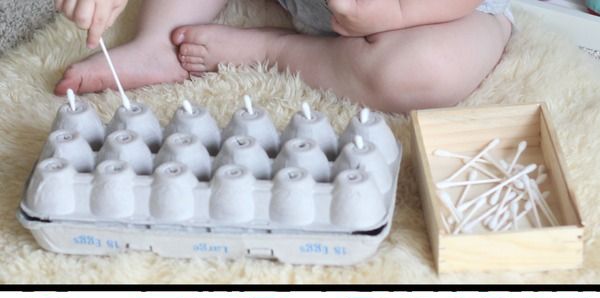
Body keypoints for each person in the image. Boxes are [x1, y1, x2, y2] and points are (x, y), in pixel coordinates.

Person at [54, 0, 513, 115]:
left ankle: (274, 48)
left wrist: (395, 11)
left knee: (424, 71)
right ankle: (158, 43)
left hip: (435, 12)